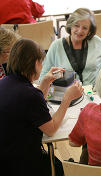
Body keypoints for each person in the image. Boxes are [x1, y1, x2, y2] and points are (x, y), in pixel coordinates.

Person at [0, 38, 83, 175]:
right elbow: (51, 129)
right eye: (41, 63)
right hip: (21, 162)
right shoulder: (29, 94)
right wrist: (67, 99)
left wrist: (45, 83)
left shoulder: (5, 82)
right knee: (60, 170)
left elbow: (34, 110)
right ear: (35, 63)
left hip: (5, 156)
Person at [40, 8, 101, 86]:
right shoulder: (56, 46)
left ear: (89, 31)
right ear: (70, 26)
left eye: (85, 28)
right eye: (76, 26)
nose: (80, 31)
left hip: (94, 93)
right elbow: (43, 77)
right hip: (68, 94)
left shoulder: (95, 41)